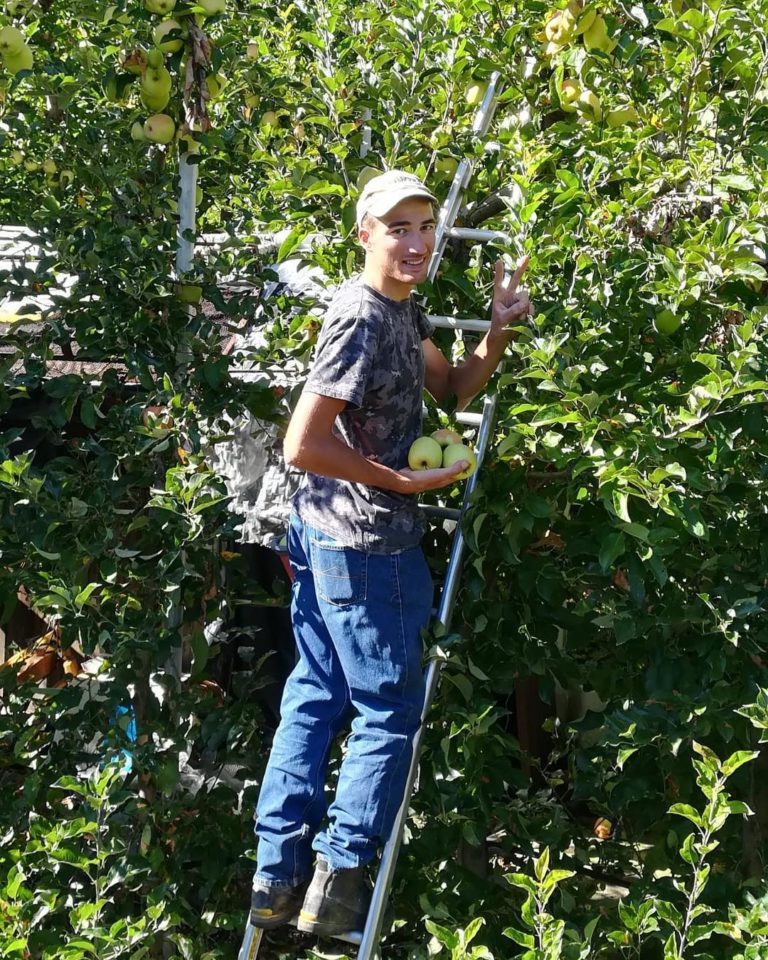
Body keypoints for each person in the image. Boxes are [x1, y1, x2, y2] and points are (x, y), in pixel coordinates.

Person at [249, 170, 533, 938]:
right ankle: (337, 882)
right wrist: (398, 479)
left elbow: (456, 391)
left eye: (424, 227)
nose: (414, 243)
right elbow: (302, 444)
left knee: (314, 698)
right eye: (397, 227)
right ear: (364, 234)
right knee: (389, 710)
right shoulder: (362, 319)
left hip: (330, 536)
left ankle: (276, 880)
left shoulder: (406, 316)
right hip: (365, 542)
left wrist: (500, 327)